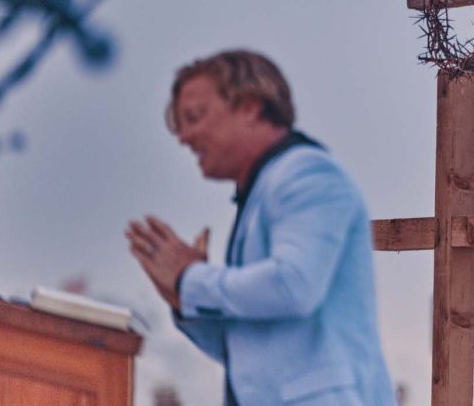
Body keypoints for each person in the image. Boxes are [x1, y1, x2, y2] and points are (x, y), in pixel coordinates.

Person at [126, 50, 395, 406]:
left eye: (194, 117)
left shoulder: (307, 175)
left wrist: (192, 278)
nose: (185, 136)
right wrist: (185, 301)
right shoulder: (263, 190)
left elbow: (293, 285)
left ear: (251, 107)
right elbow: (250, 353)